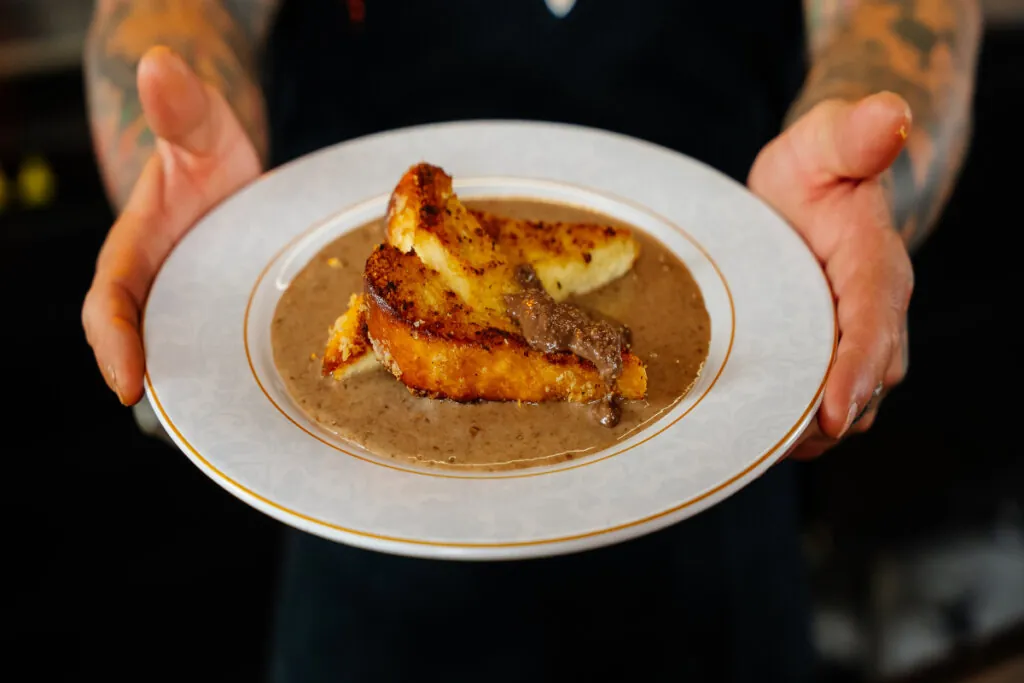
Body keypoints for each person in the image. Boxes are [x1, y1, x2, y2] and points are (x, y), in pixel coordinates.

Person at [80, 1, 981, 680]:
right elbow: (163, 19)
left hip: (724, 502)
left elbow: (901, 19)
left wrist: (857, 174)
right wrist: (203, 217)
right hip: (356, 555)